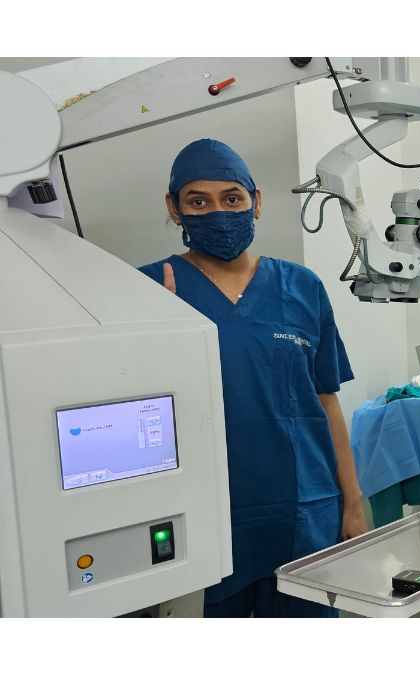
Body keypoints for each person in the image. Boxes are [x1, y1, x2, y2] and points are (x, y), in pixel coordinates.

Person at [139, 139, 366, 617]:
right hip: (210, 519)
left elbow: (326, 401)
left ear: (256, 202)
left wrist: (353, 503)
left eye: (232, 198)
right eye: (198, 202)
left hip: (304, 513)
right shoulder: (151, 290)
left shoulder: (302, 287)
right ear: (174, 208)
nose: (218, 213)